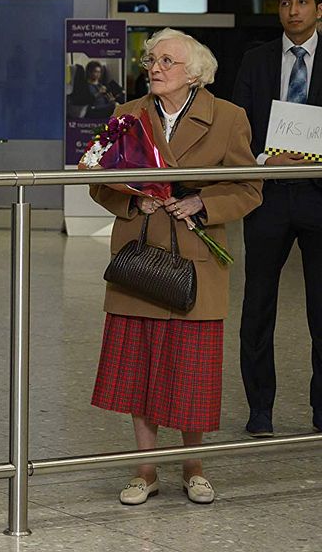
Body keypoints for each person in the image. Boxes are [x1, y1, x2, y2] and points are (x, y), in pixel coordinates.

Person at [90, 28, 261, 505]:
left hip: (196, 262)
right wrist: (133, 205)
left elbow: (250, 188)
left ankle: (193, 466)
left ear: (196, 73)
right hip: (139, 260)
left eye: (167, 61)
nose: (155, 68)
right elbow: (97, 180)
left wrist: (202, 204)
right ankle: (145, 471)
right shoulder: (127, 117)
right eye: (151, 60)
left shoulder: (229, 118)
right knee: (137, 372)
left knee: (191, 372)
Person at [233, 0, 322, 437]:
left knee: (321, 309)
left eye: (302, 3)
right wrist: (267, 157)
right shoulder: (257, 60)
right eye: (285, 3)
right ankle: (260, 410)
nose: (293, 11)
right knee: (258, 306)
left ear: (319, 9)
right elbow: (238, 126)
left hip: (318, 197)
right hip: (267, 197)